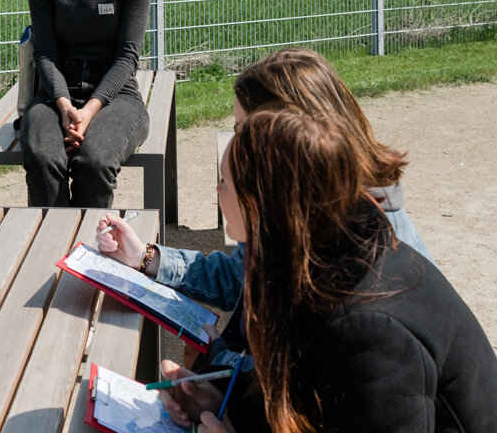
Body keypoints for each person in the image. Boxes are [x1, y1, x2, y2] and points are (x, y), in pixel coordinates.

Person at [109, 107, 497, 433]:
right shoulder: (319, 258)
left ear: (260, 202)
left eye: (223, 180)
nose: (217, 190)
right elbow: (326, 404)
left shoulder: (370, 330)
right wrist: (226, 401)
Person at [95, 48, 433, 371]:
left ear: (292, 136)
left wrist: (217, 361)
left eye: (244, 130)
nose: (236, 144)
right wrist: (147, 258)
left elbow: (308, 382)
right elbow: (244, 276)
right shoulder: (302, 207)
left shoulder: (351, 246)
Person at [22, 0, 153, 207]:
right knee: (42, 159)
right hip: (55, 93)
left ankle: (87, 254)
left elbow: (127, 58)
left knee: (93, 163)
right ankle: (51, 250)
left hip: (116, 96)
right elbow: (46, 54)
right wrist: (65, 105)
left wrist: (89, 111)